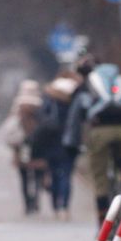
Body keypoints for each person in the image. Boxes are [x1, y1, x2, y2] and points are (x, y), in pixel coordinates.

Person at [63, 51, 121, 225]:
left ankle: (102, 223)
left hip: (99, 132)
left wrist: (71, 143)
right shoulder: (115, 79)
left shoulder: (86, 86)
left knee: (100, 179)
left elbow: (75, 117)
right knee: (120, 153)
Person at [37, 72, 81, 220]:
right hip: (70, 142)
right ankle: (65, 207)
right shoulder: (74, 97)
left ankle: (56, 206)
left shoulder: (49, 97)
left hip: (51, 142)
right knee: (66, 175)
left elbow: (41, 116)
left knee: (54, 174)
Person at [1, 80, 47, 214]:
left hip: (21, 144)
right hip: (37, 143)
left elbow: (11, 123)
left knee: (24, 175)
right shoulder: (40, 103)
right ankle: (36, 199)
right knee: (38, 173)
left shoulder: (18, 103)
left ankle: (27, 203)